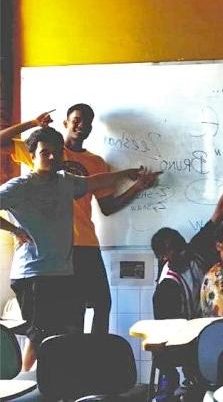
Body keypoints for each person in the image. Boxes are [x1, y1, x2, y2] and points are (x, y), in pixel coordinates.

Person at [0, 123, 148, 371]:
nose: (51, 157)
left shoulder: (64, 182)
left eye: (55, 152)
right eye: (44, 152)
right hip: (33, 273)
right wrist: (15, 230)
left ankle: (60, 387)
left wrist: (128, 173)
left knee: (62, 333)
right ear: (33, 154)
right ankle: (26, 388)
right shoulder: (21, 186)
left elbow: (95, 181)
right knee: (39, 336)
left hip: (62, 272)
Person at [149, 157, 223, 402]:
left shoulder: (194, 250)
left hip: (207, 327)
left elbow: (221, 210)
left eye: (181, 247)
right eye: (173, 252)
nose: (181, 253)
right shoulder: (167, 286)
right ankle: (173, 385)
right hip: (186, 337)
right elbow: (168, 335)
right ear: (162, 257)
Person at [63, 104, 159, 333]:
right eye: (76, 120)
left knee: (103, 303)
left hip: (87, 243)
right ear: (65, 123)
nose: (82, 125)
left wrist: (138, 187)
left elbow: (107, 207)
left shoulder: (96, 163)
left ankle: (97, 357)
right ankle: (72, 360)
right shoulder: (47, 153)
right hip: (60, 246)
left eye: (87, 122)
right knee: (73, 308)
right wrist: (34, 125)